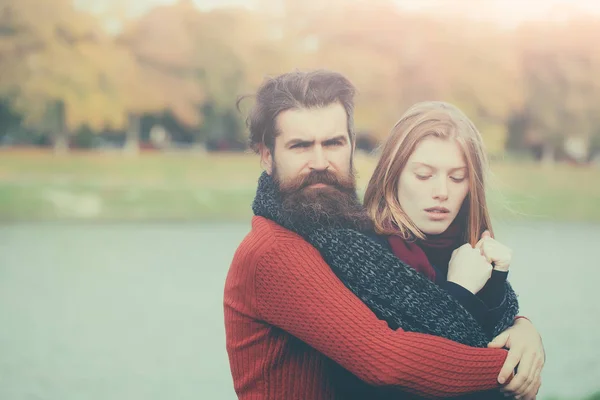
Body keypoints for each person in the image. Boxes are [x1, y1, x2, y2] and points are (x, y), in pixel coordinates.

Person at [224, 69, 545, 399]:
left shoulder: (340, 234)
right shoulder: (275, 251)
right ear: (267, 155)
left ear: (351, 146)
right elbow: (386, 361)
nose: (320, 161)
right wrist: (513, 366)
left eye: (333, 143)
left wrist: (521, 327)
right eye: (300, 146)